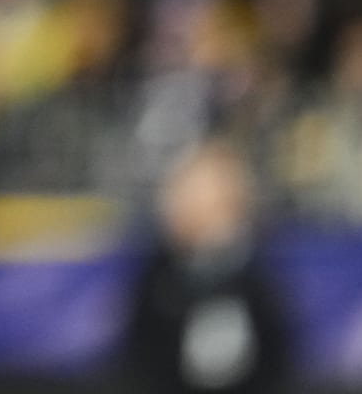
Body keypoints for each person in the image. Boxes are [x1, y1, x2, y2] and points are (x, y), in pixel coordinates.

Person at [119, 139, 293, 394]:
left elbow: (275, 358)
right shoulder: (157, 280)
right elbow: (142, 359)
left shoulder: (257, 281)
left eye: (212, 194)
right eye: (190, 194)